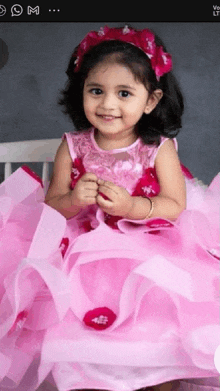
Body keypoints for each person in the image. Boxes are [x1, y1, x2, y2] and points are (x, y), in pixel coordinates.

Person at [0, 25, 219, 391]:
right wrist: (72, 200)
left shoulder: (157, 146)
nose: (108, 105)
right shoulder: (73, 145)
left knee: (155, 318)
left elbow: (175, 205)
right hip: (81, 247)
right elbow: (53, 204)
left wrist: (132, 205)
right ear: (80, 92)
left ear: (150, 100)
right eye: (96, 91)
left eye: (124, 93)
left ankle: (158, 379)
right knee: (76, 332)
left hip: (147, 243)